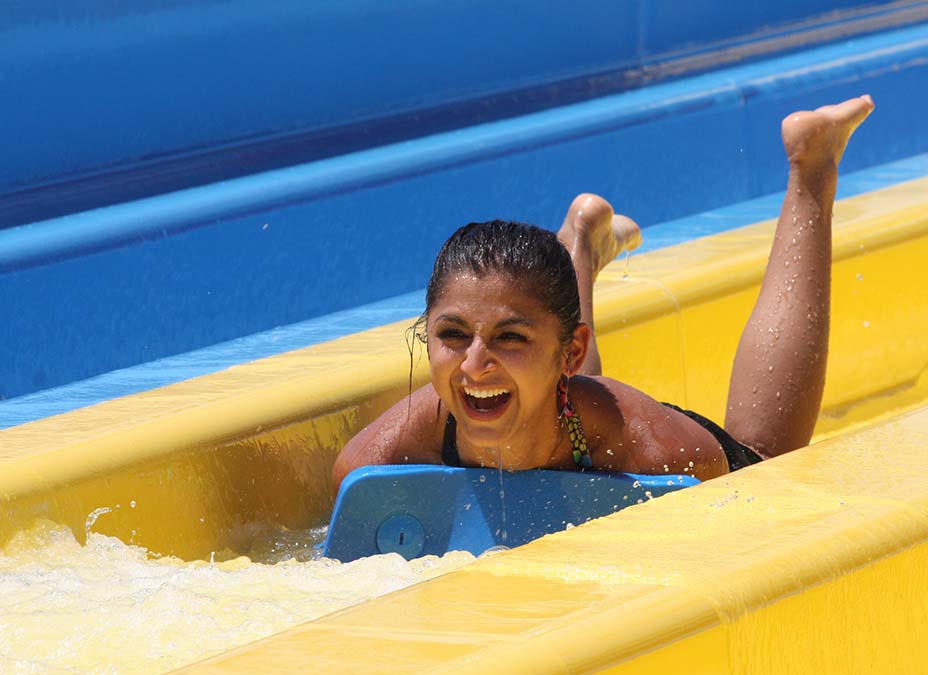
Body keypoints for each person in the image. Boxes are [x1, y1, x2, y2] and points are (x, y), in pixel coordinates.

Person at [332, 95, 874, 488]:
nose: (474, 365)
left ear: (574, 351)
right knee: (538, 387)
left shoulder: (660, 449)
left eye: (508, 337)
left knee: (769, 463)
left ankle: (812, 168)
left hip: (619, 440)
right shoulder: (384, 457)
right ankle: (580, 246)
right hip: (564, 409)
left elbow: (746, 524)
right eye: (452, 334)